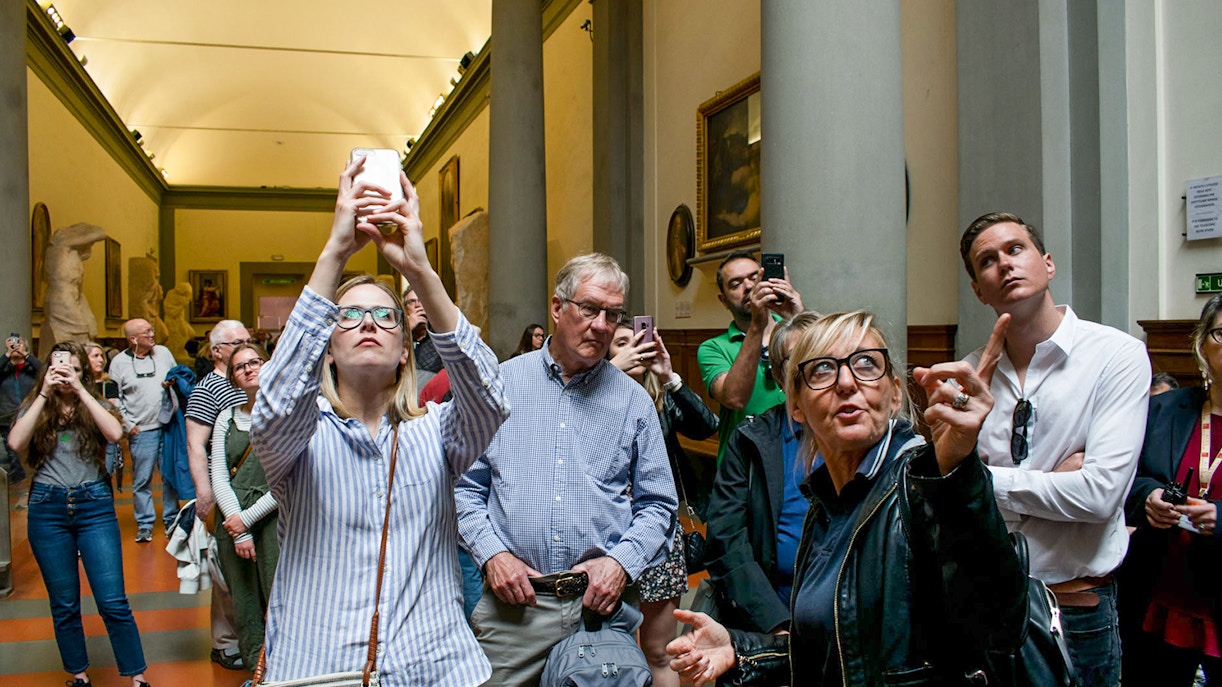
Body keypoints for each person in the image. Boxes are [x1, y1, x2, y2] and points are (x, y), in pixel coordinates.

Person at [250, 157, 508, 686]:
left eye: (386, 314)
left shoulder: (437, 433)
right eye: (347, 314)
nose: (368, 322)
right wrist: (335, 253)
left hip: (432, 667)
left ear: (404, 354)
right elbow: (274, 407)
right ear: (325, 351)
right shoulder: (299, 439)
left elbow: (490, 399)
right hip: (322, 669)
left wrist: (420, 271)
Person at [666, 312, 1026, 686]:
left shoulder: (920, 484)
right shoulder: (824, 503)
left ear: (895, 393)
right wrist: (741, 649)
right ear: (796, 405)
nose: (846, 382)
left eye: (866, 364)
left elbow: (998, 624)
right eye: (822, 369)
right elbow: (836, 650)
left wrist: (955, 472)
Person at [455, 253, 678, 687]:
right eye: (589, 308)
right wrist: (493, 556)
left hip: (599, 610)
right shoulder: (500, 386)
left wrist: (620, 564)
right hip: (515, 609)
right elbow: (463, 489)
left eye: (612, 314)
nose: (601, 325)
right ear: (557, 308)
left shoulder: (633, 402)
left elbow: (659, 505)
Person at [959, 212, 1150, 687]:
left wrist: (986, 481)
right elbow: (950, 500)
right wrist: (1058, 479)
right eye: (987, 260)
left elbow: (1099, 496)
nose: (1004, 263)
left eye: (1015, 249)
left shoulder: (1116, 356)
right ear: (979, 290)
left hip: (1077, 605)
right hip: (989, 602)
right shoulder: (969, 374)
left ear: (1047, 264)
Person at [7, 342, 152, 687]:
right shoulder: (36, 406)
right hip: (47, 509)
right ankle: (79, 675)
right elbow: (15, 443)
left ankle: (137, 676)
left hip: (94, 507)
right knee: (65, 603)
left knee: (112, 600)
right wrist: (43, 393)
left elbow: (115, 434)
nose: (63, 372)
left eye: (71, 367)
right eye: (57, 366)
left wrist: (80, 389)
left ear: (82, 371)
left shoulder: (95, 403)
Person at [608, 320, 718, 687]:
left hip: (657, 533)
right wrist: (608, 374)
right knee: (610, 645)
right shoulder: (587, 396)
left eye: (638, 341)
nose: (633, 348)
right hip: (602, 533)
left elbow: (707, 427)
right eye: (621, 343)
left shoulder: (661, 400)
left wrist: (669, 376)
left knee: (659, 649)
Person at [1121, 295, 1222, 685]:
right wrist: (1147, 497)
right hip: (1160, 596)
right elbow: (1127, 478)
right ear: (1202, 344)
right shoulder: (1164, 410)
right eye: (1221, 333)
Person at [705, 311, 820, 635]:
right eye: (802, 363)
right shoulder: (752, 439)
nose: (817, 375)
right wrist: (773, 622)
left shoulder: (857, 437)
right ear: (780, 377)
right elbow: (725, 538)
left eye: (824, 362)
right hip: (771, 618)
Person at [183, 320, 251, 670]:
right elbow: (196, 444)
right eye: (236, 342)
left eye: (248, 341)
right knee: (227, 569)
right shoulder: (207, 389)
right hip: (224, 485)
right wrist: (204, 493)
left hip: (253, 486)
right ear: (216, 351)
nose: (244, 346)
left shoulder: (248, 379)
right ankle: (225, 642)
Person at [698, 250, 804, 464]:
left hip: (798, 455)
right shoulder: (712, 348)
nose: (749, 287)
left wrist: (799, 318)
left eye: (755, 278)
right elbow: (735, 398)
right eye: (736, 284)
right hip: (744, 466)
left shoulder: (794, 333)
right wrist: (757, 325)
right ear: (724, 300)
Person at [210, 343, 278, 674]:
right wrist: (238, 527)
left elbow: (288, 480)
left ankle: (285, 671)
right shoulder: (227, 417)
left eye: (255, 362)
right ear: (234, 378)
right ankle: (256, 671)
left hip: (274, 518)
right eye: (240, 367)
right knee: (245, 601)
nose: (249, 369)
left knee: (280, 597)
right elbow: (219, 475)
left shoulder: (284, 414)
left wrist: (247, 521)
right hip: (232, 518)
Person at [109, 318, 181, 542]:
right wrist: (129, 426)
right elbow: (114, 398)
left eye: (152, 329)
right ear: (133, 339)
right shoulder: (118, 363)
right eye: (146, 331)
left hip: (168, 426)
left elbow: (178, 378)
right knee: (142, 480)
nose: (152, 334)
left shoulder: (164, 353)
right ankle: (145, 523)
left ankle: (172, 520)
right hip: (142, 431)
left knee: (169, 476)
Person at [1, 334, 40, 482]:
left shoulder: (32, 367)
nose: (16, 346)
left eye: (20, 344)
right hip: (7, 415)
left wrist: (27, 356)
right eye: (12, 344)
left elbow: (43, 371)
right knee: (12, 449)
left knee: (33, 447)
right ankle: (18, 476)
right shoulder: (4, 367)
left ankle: (31, 474)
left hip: (30, 413)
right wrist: (7, 355)